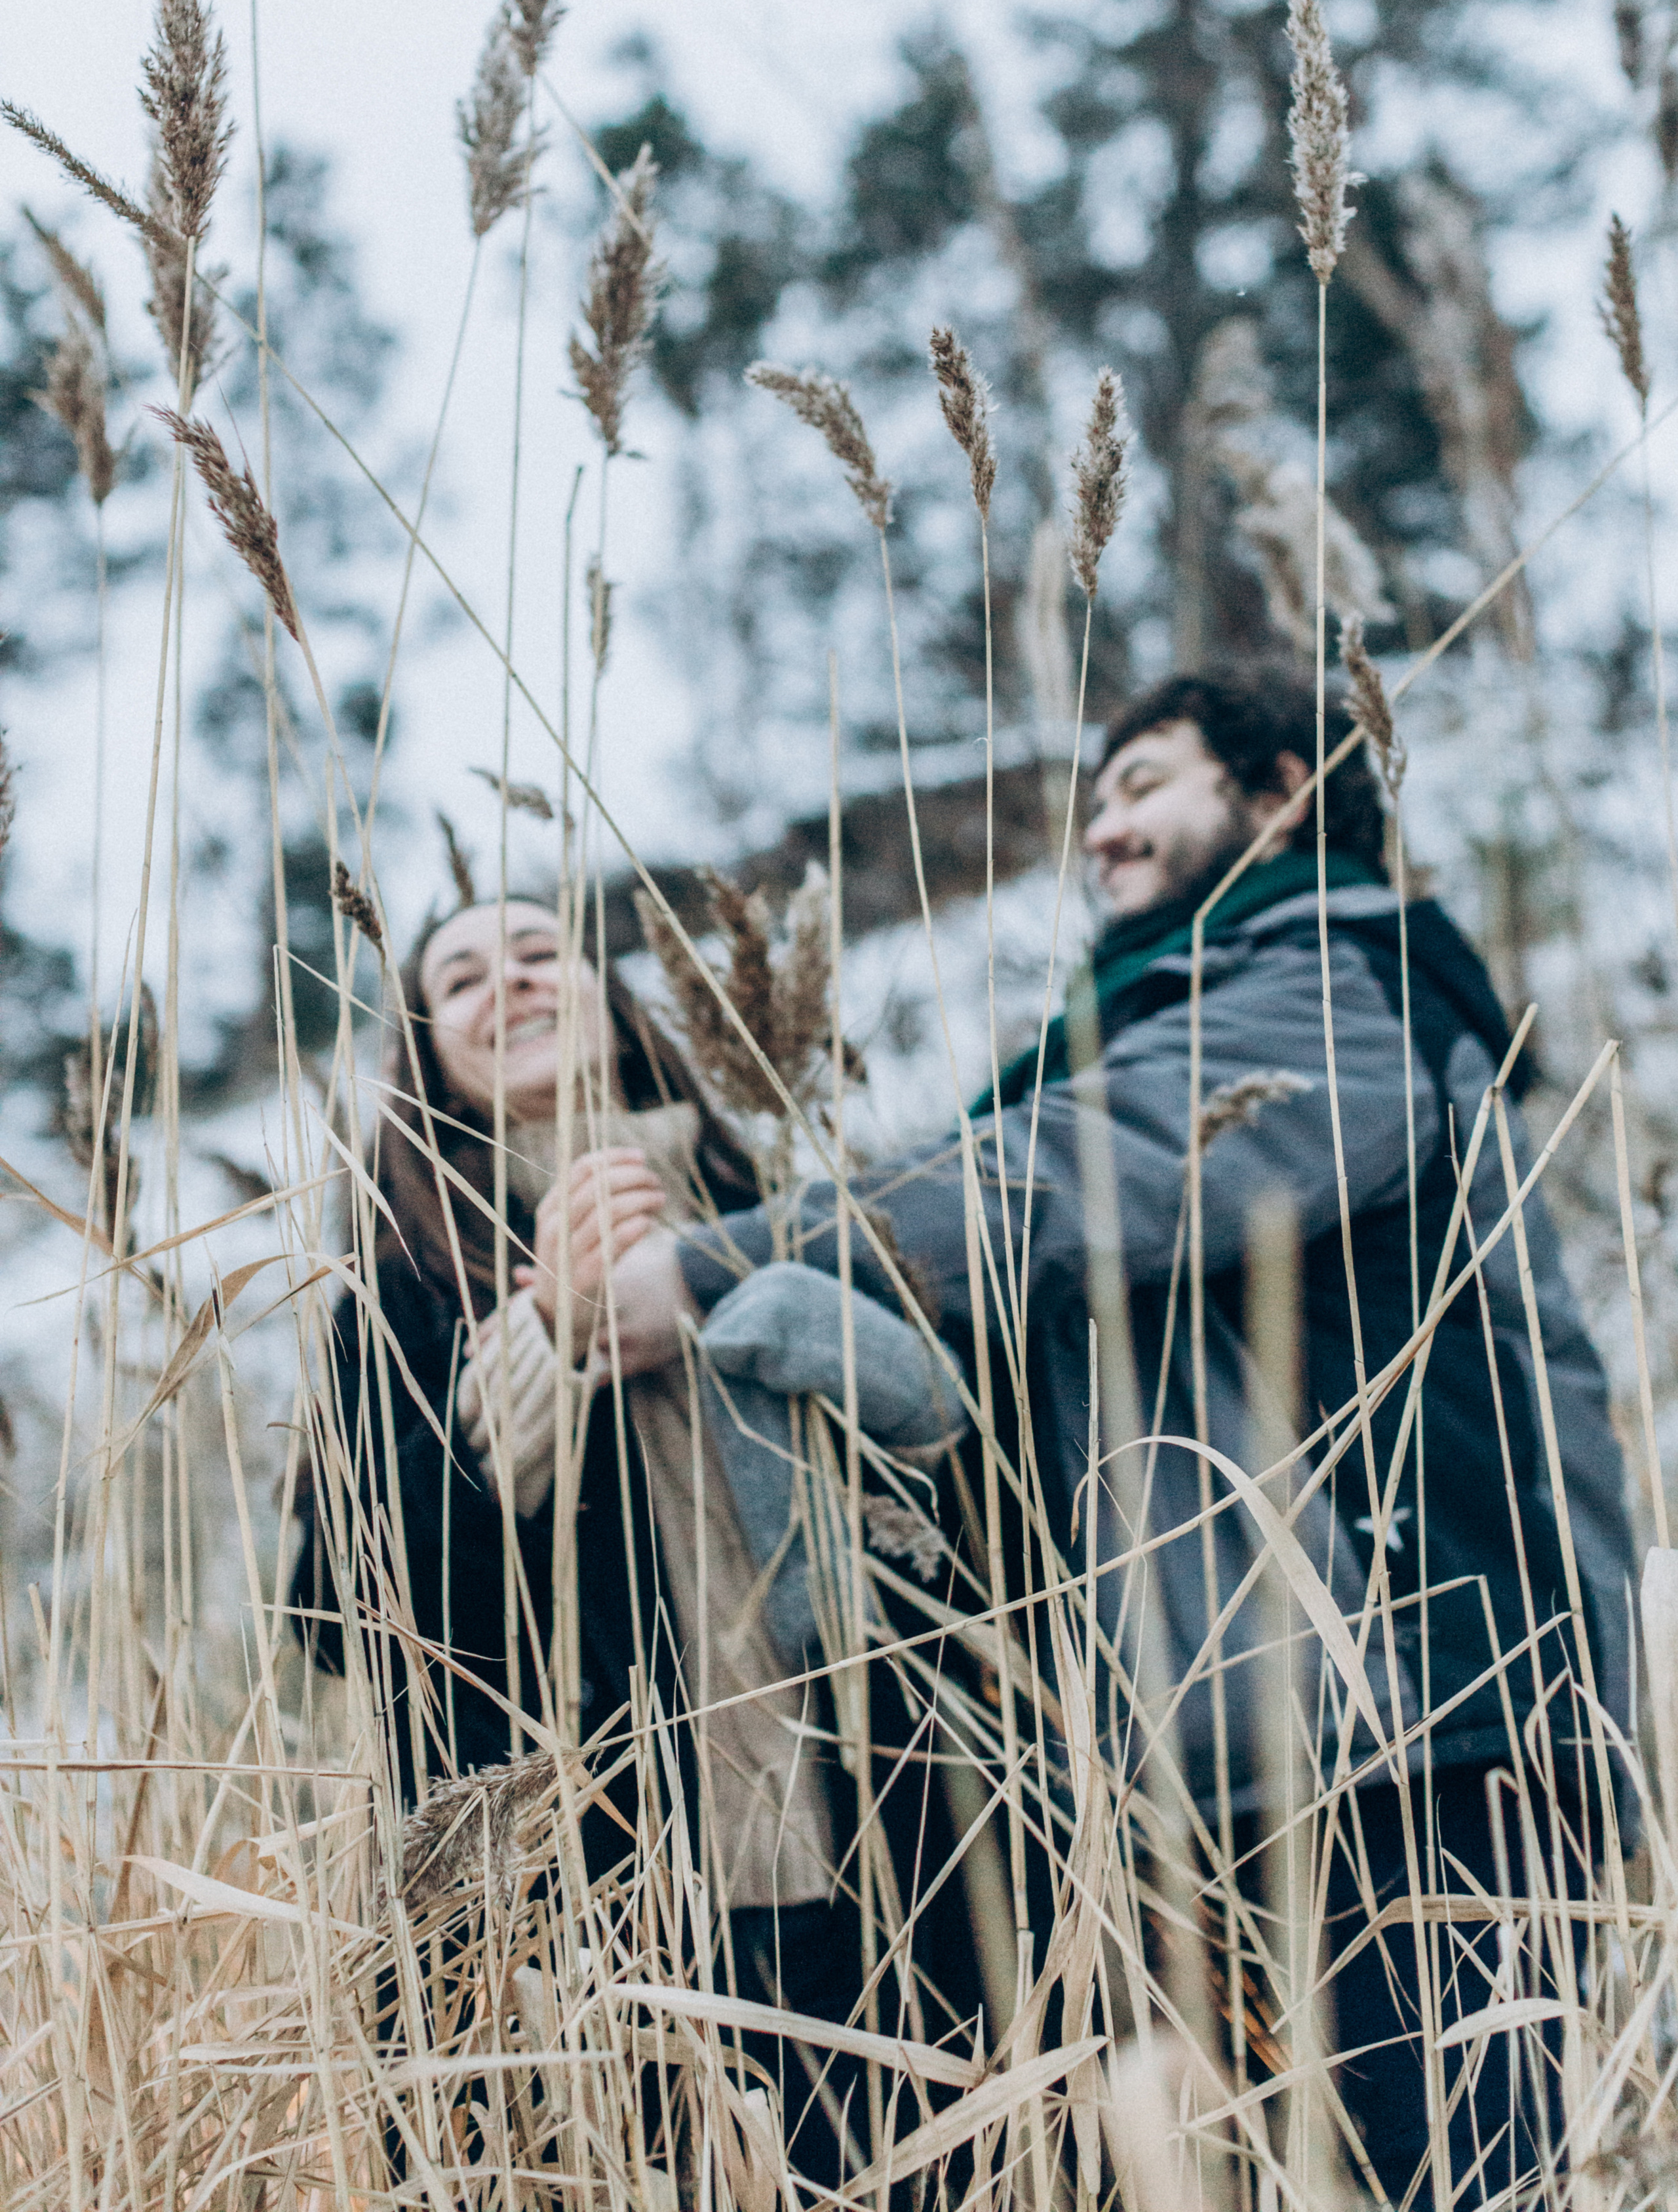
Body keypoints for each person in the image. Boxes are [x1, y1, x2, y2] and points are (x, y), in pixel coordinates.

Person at [582, 663, 1637, 2206]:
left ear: (1278, 795)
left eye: (1145, 784)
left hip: (1419, 1710)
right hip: (1245, 1743)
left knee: (1452, 2173)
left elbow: (1107, 1161)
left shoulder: (1339, 981)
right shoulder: (1160, 1017)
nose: (1102, 829)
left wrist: (718, 1264)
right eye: (1094, 802)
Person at [290, 893, 979, 2186]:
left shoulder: (781, 1213)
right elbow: (343, 1616)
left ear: (611, 995)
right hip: (590, 1903)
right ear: (425, 1048)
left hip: (882, 1840)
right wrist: (544, 1349)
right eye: (463, 977)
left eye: (542, 951)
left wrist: (778, 1312)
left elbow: (952, 1508)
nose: (513, 983)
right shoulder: (396, 1291)